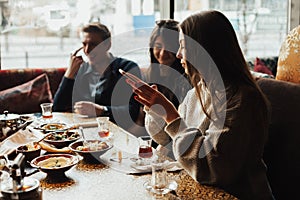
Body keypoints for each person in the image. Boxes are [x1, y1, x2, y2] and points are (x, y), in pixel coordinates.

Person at [125, 10, 274, 199]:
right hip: (199, 189)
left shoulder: (242, 100)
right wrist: (159, 110)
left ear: (205, 50)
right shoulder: (198, 92)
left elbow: (211, 169)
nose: (178, 54)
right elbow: (167, 140)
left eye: (182, 46)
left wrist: (172, 115)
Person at [53, 22, 142, 130]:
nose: (87, 50)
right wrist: (69, 73)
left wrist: (102, 110)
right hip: (83, 130)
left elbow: (133, 110)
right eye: (84, 44)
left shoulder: (127, 68)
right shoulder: (80, 70)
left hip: (114, 129)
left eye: (93, 44)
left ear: (107, 45)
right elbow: (57, 108)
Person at [145, 19, 191, 109]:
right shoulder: (150, 74)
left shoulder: (187, 81)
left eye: (170, 47)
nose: (162, 53)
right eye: (158, 46)